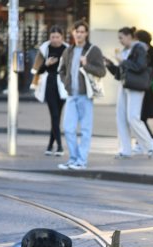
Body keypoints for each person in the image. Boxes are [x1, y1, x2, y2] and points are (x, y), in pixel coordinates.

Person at [58, 20, 106, 170]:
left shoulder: (93, 50)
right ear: (73, 33)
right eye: (76, 31)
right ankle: (73, 159)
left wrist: (86, 65)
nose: (79, 34)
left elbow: (102, 71)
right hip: (72, 95)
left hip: (86, 95)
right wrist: (66, 84)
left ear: (86, 33)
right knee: (68, 128)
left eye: (82, 32)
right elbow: (62, 70)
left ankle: (82, 161)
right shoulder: (68, 51)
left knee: (85, 130)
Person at [104, 27, 153, 159]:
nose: (120, 41)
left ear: (129, 36)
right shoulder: (125, 51)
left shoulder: (139, 48)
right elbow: (120, 73)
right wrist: (110, 65)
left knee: (133, 117)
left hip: (136, 86)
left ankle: (150, 145)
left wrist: (123, 61)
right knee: (121, 118)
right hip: (124, 85)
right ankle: (125, 149)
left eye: (121, 38)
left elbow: (140, 66)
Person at [31, 26, 68, 156]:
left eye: (58, 37)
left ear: (62, 37)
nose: (55, 40)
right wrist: (46, 64)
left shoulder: (67, 50)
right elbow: (37, 71)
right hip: (50, 83)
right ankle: (59, 146)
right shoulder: (44, 49)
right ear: (49, 37)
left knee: (57, 116)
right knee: (54, 115)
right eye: (53, 37)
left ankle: (49, 146)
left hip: (62, 85)